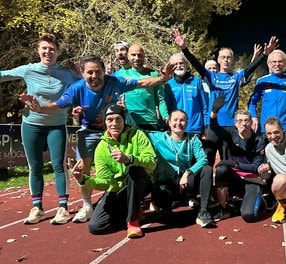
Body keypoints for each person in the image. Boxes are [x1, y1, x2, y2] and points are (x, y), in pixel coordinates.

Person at [25, 54, 173, 224]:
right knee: (82, 167)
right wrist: (40, 108)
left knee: (129, 162)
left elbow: (142, 83)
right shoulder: (76, 88)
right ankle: (87, 206)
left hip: (114, 129)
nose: (94, 76)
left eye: (98, 72)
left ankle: (132, 197)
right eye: (90, 73)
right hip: (89, 131)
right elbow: (57, 106)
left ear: (104, 71)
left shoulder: (116, 81)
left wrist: (162, 78)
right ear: (83, 72)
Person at [171, 27, 279, 167]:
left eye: (229, 57)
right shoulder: (211, 76)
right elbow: (195, 63)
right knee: (207, 160)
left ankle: (227, 189)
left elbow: (251, 67)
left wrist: (264, 55)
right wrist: (184, 48)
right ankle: (208, 188)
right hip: (213, 125)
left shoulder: (237, 77)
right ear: (218, 60)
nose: (226, 60)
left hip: (231, 127)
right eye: (223, 57)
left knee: (229, 162)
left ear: (233, 60)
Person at [9, 33, 81, 225]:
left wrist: (80, 82)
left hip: (56, 126)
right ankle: (37, 208)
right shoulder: (29, 70)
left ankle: (63, 208)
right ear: (38, 50)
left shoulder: (66, 74)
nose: (48, 52)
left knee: (58, 165)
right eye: (44, 48)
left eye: (52, 49)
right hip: (31, 125)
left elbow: (82, 88)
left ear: (57, 52)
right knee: (35, 167)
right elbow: (3, 75)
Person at [68, 104, 156, 238]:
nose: (114, 123)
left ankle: (132, 221)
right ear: (105, 122)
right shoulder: (102, 147)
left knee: (133, 171)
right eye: (110, 120)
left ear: (124, 120)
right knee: (96, 226)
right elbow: (105, 182)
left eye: (118, 119)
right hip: (118, 188)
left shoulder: (137, 135)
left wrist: (130, 159)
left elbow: (152, 163)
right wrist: (83, 179)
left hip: (141, 183)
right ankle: (130, 211)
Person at [147, 109, 216, 228]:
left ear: (187, 123)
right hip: (166, 184)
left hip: (186, 185)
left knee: (207, 169)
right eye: (175, 120)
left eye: (182, 120)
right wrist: (125, 112)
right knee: (165, 210)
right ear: (168, 122)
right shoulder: (158, 138)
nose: (178, 123)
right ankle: (165, 209)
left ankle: (203, 211)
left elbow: (203, 159)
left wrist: (188, 173)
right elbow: (137, 130)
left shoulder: (193, 139)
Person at [209, 95, 270, 222]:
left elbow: (255, 168)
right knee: (221, 170)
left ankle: (259, 201)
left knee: (248, 216)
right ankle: (224, 208)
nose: (243, 124)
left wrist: (234, 164)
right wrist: (214, 112)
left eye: (246, 120)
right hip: (235, 178)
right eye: (240, 121)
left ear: (251, 123)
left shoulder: (259, 140)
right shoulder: (231, 134)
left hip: (252, 179)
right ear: (235, 124)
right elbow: (215, 128)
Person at [114, 44, 169, 131]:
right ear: (128, 56)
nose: (136, 58)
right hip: (128, 119)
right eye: (133, 55)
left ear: (144, 56)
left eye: (139, 55)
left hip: (149, 121)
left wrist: (166, 116)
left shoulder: (153, 75)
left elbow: (160, 99)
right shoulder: (119, 75)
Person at [164, 52, 209, 136]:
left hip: (195, 129)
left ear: (186, 64)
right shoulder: (168, 85)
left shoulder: (196, 81)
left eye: (181, 63)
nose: (178, 66)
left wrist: (206, 125)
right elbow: (166, 107)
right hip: (177, 129)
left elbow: (204, 105)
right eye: (175, 64)